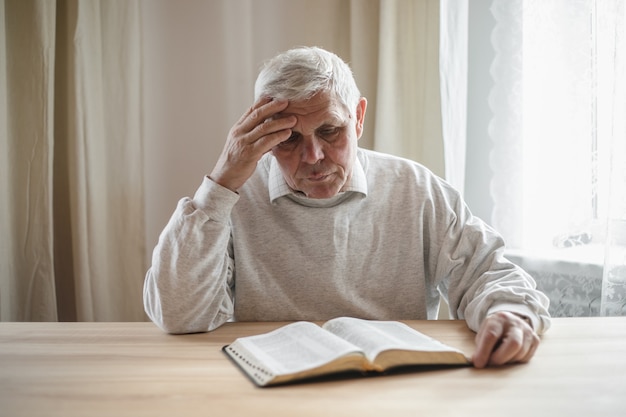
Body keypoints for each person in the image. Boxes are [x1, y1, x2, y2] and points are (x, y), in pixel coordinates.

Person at [143, 46, 551, 369]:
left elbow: (487, 273)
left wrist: (510, 313)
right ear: (260, 134)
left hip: (394, 385)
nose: (314, 155)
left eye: (329, 131)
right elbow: (179, 316)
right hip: (269, 390)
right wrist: (220, 183)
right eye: (288, 139)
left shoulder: (415, 188)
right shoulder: (232, 196)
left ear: (358, 118)